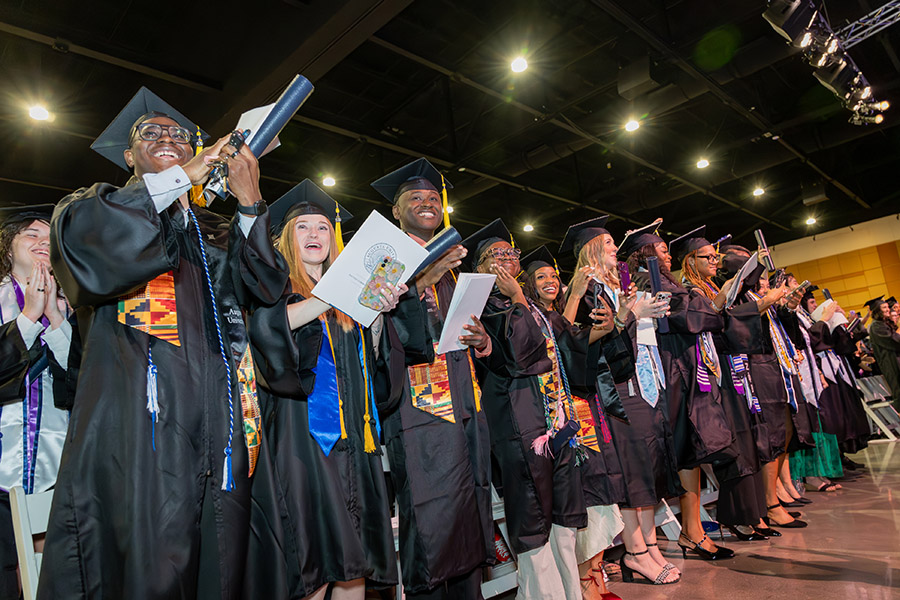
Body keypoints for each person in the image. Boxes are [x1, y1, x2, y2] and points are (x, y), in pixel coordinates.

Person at [40, 88, 288, 599]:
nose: (169, 138)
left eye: (179, 134)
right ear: (128, 156)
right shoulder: (96, 207)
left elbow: (263, 289)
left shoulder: (211, 230)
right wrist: (188, 173)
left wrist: (249, 202)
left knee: (222, 557)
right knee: (150, 561)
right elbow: (90, 257)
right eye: (150, 133)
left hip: (219, 419)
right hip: (138, 421)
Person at [243, 181, 402, 600]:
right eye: (303, 228)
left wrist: (378, 313)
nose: (315, 235)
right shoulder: (273, 286)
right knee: (313, 561)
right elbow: (264, 332)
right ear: (285, 238)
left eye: (322, 228)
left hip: (356, 438)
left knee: (356, 561)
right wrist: (329, 297)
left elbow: (374, 367)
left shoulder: (351, 298)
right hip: (304, 442)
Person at [370, 158, 494, 599]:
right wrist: (428, 273)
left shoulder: (455, 267)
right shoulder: (383, 258)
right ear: (396, 211)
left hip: (464, 402)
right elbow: (375, 328)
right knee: (433, 520)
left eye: (433, 199)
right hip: (419, 410)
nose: (427, 204)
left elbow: (461, 331)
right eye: (415, 199)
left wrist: (482, 341)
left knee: (470, 505)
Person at [459, 224, 587, 600]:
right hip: (520, 421)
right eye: (495, 256)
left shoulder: (532, 305)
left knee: (564, 515)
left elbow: (565, 350)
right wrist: (515, 298)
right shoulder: (480, 307)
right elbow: (522, 358)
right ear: (481, 266)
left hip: (555, 419)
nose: (506, 259)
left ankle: (571, 592)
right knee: (533, 516)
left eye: (511, 253)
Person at [562, 219, 681, 586]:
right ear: (593, 247)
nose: (617, 249)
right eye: (610, 242)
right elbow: (594, 346)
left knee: (648, 464)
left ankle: (649, 542)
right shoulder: (586, 289)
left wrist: (635, 309)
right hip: (615, 390)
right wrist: (631, 315)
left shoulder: (615, 284)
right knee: (632, 468)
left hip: (643, 384)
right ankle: (636, 550)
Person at [520, 245, 626, 600]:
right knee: (582, 500)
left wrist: (610, 325)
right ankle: (584, 581)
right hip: (548, 422)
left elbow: (572, 343)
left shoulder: (559, 315)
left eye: (554, 275)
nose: (550, 281)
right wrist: (577, 293)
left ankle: (593, 576)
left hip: (578, 415)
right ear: (528, 286)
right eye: (541, 277)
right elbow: (561, 344)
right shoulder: (530, 318)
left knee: (594, 497)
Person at [627, 225, 738, 559]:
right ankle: (691, 532)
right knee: (685, 449)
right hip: (672, 370)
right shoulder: (648, 281)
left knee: (693, 449)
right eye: (661, 249)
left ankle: (694, 529)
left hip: (686, 368)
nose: (668, 254)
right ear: (646, 254)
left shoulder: (667, 280)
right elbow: (686, 316)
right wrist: (718, 300)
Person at [0, 205, 73, 599]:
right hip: (0, 467)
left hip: (58, 468)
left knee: (53, 579)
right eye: (31, 234)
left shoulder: (75, 307)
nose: (42, 242)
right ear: (8, 247)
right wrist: (29, 317)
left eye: (50, 237)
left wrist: (56, 320)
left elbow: (85, 382)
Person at [867, 295, 900, 412]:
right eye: (884, 307)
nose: (888, 310)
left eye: (887, 307)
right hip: (891, 364)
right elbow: (894, 341)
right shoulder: (876, 326)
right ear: (877, 310)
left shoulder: (883, 324)